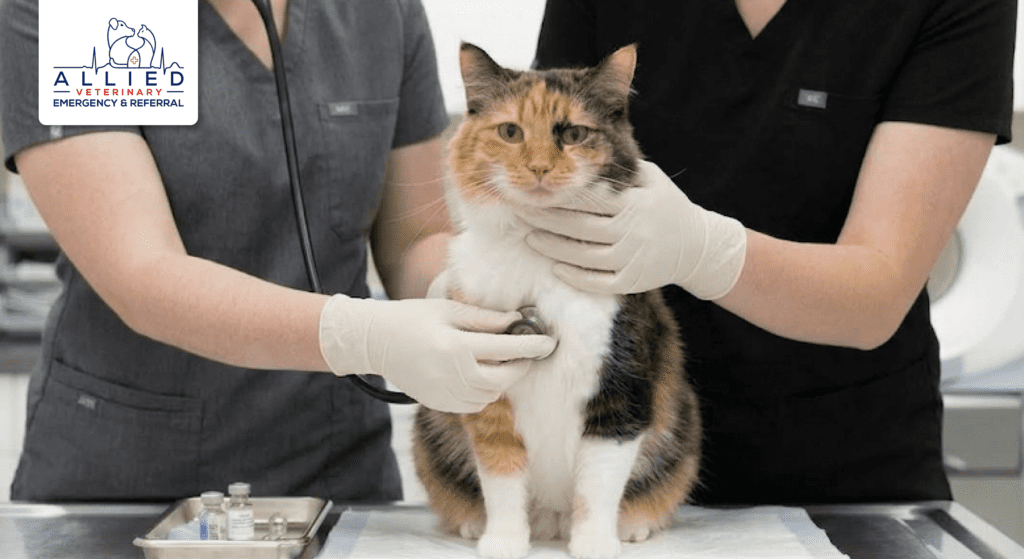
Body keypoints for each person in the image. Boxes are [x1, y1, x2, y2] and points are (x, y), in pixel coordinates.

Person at [0, 0, 554, 502]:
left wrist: (456, 302)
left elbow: (415, 238)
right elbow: (142, 273)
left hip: (334, 467)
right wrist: (367, 336)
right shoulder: (86, 11)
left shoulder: (378, 12)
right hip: (135, 474)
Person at [525, 0, 1015, 504]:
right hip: (623, 451)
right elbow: (546, 186)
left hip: (849, 469)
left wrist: (702, 251)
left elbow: (879, 292)